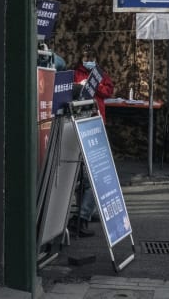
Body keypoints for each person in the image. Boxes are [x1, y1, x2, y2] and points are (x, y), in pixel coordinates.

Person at [71, 44, 115, 237]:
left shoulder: (100, 74)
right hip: (80, 123)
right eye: (86, 57)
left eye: (91, 57)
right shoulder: (74, 73)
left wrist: (94, 85)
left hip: (96, 123)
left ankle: (84, 213)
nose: (88, 60)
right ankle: (83, 213)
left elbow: (108, 91)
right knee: (84, 175)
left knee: (91, 174)